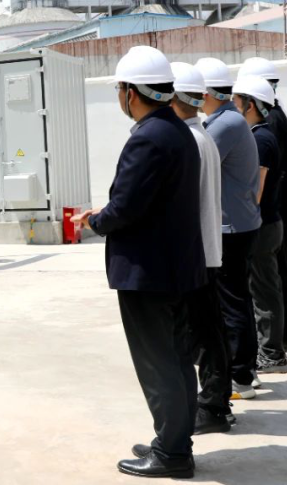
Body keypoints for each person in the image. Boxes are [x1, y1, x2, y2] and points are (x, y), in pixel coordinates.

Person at [74, 46, 205, 479]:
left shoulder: (148, 136)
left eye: (119, 89)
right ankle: (174, 439)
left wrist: (96, 219)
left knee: (158, 363)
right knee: (177, 359)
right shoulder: (178, 130)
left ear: (131, 92)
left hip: (149, 272)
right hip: (176, 267)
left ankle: (172, 453)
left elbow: (126, 207)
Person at [196, 56, 263, 401]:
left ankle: (241, 375)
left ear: (206, 93)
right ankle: (245, 371)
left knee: (231, 303)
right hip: (240, 223)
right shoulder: (230, 120)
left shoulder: (223, 125)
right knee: (238, 299)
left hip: (231, 228)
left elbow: (194, 166)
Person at [169, 63, 229, 434]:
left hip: (198, 252)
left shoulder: (189, 140)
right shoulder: (201, 134)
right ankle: (214, 404)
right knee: (208, 330)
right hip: (206, 248)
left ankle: (213, 407)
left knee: (204, 335)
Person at [239, 57, 287, 353]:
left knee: (272, 279)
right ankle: (282, 340)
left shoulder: (268, 126)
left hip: (274, 212)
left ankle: (280, 342)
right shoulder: (275, 115)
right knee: (276, 276)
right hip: (280, 210)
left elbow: (263, 179)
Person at [232, 74, 287, 375]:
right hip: (267, 224)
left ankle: (272, 354)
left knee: (264, 293)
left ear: (250, 105)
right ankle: (269, 351)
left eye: (236, 101)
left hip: (263, 227)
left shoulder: (260, 139)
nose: (232, 106)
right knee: (263, 290)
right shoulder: (260, 135)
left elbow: (256, 190)